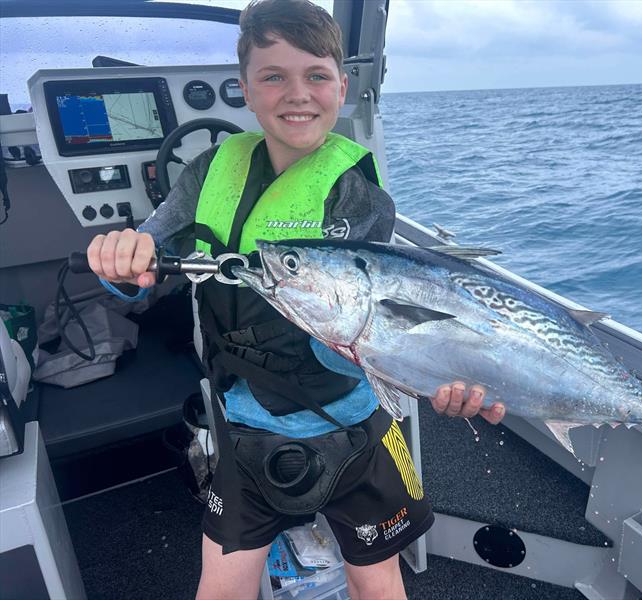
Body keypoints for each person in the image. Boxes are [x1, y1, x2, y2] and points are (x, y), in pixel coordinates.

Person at [87, 1, 505, 598]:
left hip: (355, 423)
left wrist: (438, 373)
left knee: (379, 581)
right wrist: (119, 262)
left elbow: (363, 338)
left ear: (342, 85)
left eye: (315, 75)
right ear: (246, 91)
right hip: (242, 424)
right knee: (221, 587)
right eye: (273, 77)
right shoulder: (208, 171)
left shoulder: (360, 199)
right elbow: (138, 264)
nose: (297, 94)